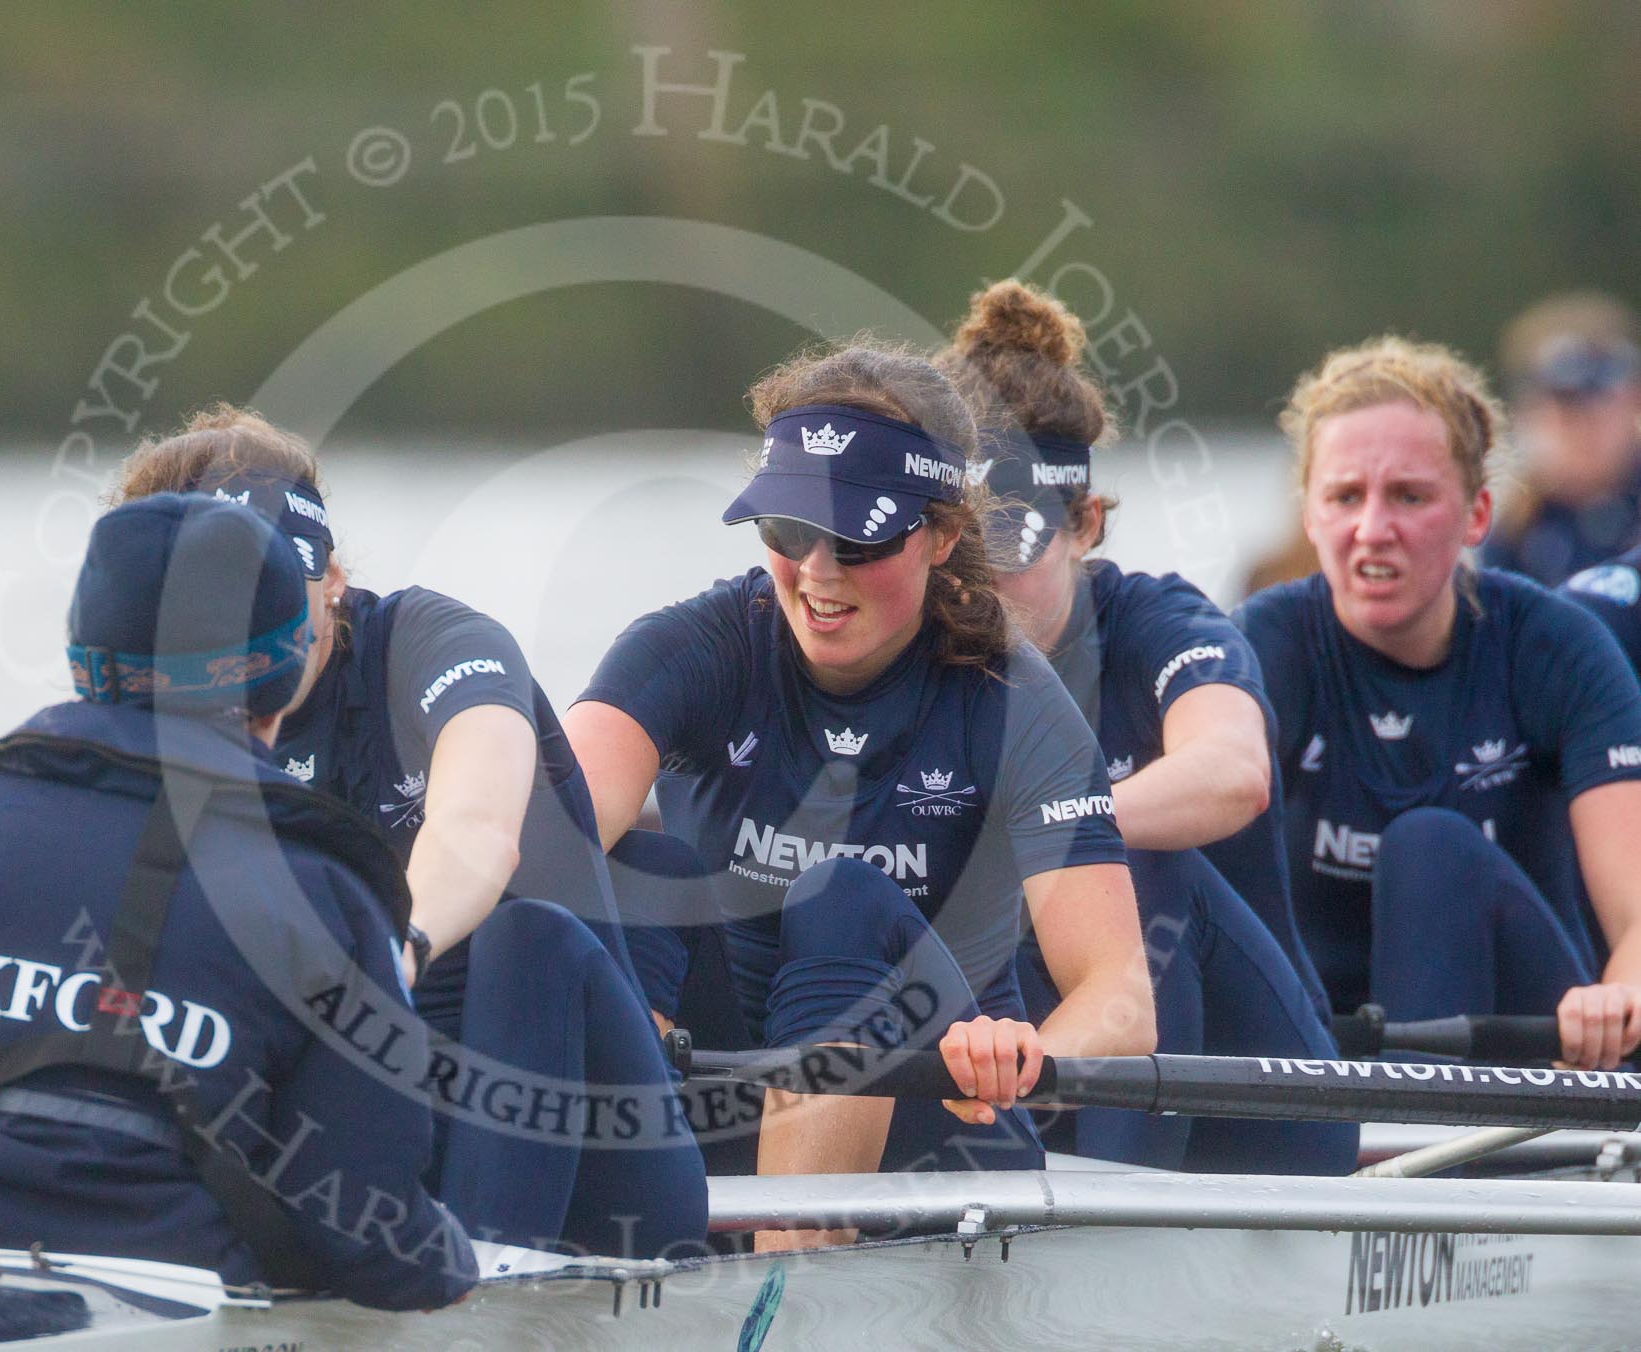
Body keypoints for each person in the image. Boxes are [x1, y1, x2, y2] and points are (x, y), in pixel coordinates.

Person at [0, 494, 474, 1309]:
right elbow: (370, 1238)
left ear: (82, 656)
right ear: (285, 671)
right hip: (170, 1301)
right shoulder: (328, 897)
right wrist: (462, 1273)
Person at [566, 342, 1156, 1250]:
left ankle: (781, 1296)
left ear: (942, 535)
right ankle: (604, 1253)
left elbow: (1118, 994)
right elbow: (542, 843)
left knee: (842, 892)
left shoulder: (1010, 696)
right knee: (629, 867)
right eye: (789, 532)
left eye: (861, 536)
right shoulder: (690, 649)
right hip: (727, 1109)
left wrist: (1025, 1052)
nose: (819, 572)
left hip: (943, 1128)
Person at [110, 406, 706, 1260]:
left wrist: (398, 954)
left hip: (595, 1140)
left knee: (525, 935)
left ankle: (466, 1294)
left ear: (334, 579)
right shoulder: (156, 726)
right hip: (377, 1147)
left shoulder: (431, 644)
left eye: (286, 584)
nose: (271, 619)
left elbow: (477, 827)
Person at [932, 281, 1351, 1172]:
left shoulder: (1156, 623)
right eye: (958, 542)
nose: (979, 582)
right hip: (1050, 1081)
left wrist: (1056, 833)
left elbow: (1233, 770)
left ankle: (1112, 1217)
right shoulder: (914, 659)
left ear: (1083, 524)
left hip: (1264, 1109)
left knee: (1125, 858)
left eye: (1009, 547)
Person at [1235, 336, 1641, 1069]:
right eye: (1345, 497)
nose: (1372, 529)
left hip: (1531, 1049)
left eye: (1410, 496)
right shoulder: (1263, 646)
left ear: (1478, 516)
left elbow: (1635, 913)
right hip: (1317, 1059)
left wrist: (1623, 991)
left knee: (1428, 846)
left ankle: (1420, 1144)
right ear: (1311, 517)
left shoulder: (1558, 647)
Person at [1481, 292, 1641, 585]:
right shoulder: (1508, 527)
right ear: (1527, 415)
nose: (1585, 432)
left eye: (1602, 410)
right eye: (1567, 414)